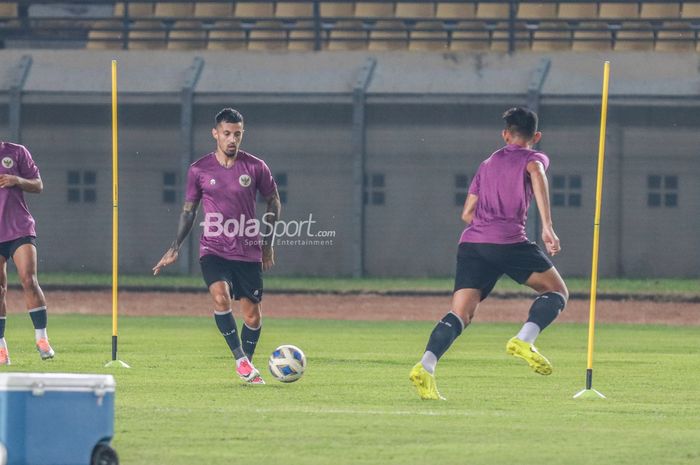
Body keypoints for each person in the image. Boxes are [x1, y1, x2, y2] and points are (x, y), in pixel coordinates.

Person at [409, 107, 569, 400]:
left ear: (505, 134)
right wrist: (547, 226)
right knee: (557, 292)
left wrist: (486, 228)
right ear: (536, 136)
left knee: (460, 314)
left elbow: (467, 213)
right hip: (509, 242)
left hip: (472, 245)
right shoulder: (534, 158)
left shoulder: (486, 164)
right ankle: (524, 340)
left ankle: (426, 366)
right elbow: (537, 173)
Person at [153, 108, 280, 385]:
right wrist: (175, 247)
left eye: (237, 134)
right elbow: (189, 210)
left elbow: (274, 202)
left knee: (252, 316)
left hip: (247, 250)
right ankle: (240, 361)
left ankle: (245, 364)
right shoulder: (199, 170)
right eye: (226, 134)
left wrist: (267, 246)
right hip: (214, 249)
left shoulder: (256, 167)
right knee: (220, 297)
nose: (232, 139)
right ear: (216, 134)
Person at [0, 141, 55, 366]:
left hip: (19, 228)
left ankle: (41, 339)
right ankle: (1, 348)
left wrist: (16, 180)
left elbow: (38, 185)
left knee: (28, 279)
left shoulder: (15, 151)